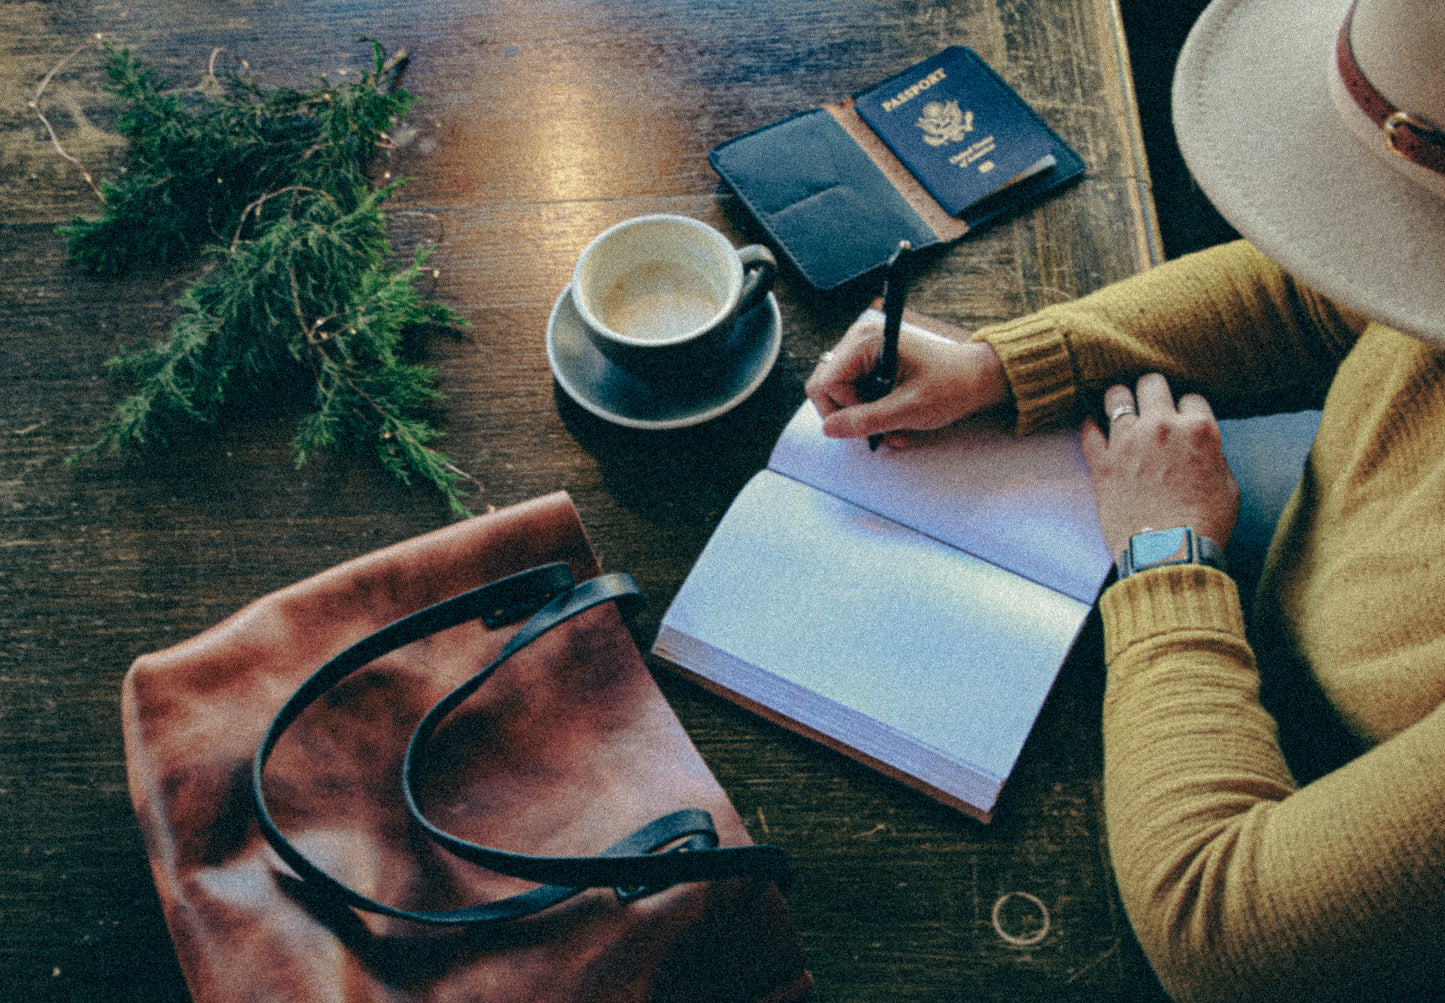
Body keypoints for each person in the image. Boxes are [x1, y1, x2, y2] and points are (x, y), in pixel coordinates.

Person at [805, 0, 1445, 1000]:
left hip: (1314, 796)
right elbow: (1332, 287)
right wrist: (1004, 365)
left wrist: (1165, 558)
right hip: (1311, 562)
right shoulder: (1419, 266)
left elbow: (1220, 932)